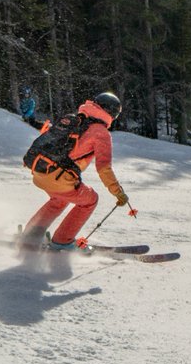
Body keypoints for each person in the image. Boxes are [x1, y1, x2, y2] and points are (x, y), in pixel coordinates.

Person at [21, 92, 128, 250]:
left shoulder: (74, 119)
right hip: (58, 177)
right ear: (112, 113)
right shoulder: (101, 132)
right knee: (90, 200)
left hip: (40, 171)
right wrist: (117, 192)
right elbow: (104, 167)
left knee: (59, 199)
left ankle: (30, 235)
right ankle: (62, 242)